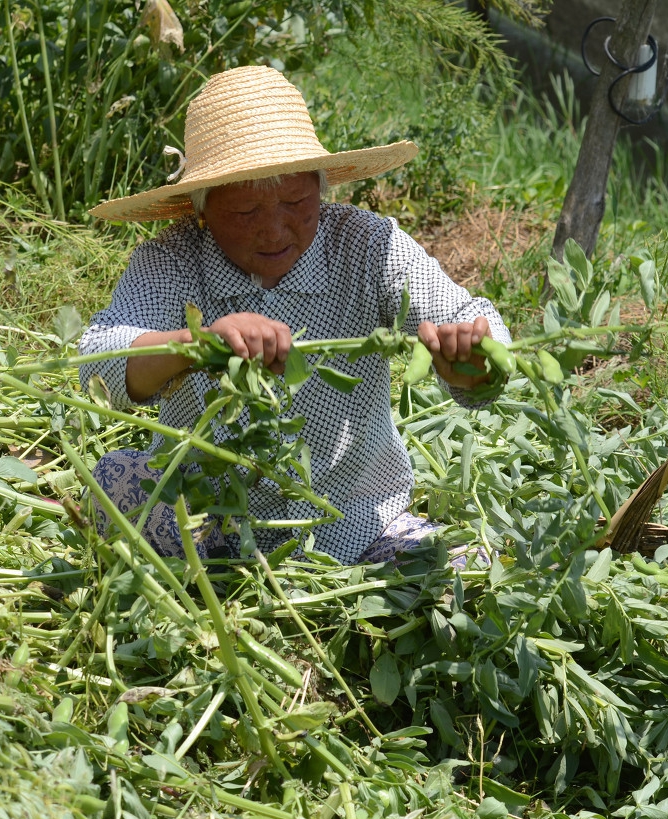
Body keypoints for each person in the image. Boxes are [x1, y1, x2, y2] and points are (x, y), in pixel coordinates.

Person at [80, 64, 510, 565]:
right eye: (245, 213)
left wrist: (474, 360)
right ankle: (219, 588)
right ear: (200, 209)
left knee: (467, 569)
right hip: (203, 519)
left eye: (295, 201)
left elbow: (465, 313)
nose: (275, 231)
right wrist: (196, 345)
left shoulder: (366, 246)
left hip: (352, 520)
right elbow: (97, 364)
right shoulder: (172, 260)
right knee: (111, 484)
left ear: (320, 188)